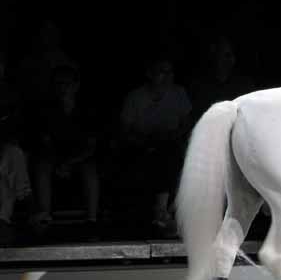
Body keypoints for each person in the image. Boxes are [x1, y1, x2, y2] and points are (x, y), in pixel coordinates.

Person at [115, 57, 192, 237]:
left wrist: (172, 136)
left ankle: (162, 210)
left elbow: (187, 125)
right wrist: (144, 141)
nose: (166, 77)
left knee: (169, 154)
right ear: (149, 74)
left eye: (170, 72)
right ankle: (161, 212)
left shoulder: (179, 93)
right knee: (156, 156)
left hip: (172, 145)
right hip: (141, 146)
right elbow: (124, 130)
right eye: (161, 72)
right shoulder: (135, 97)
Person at [29, 64, 102, 240]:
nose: (63, 88)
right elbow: (45, 143)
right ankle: (44, 219)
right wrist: (59, 163)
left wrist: (69, 163)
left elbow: (91, 146)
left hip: (80, 158)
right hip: (54, 156)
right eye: (59, 84)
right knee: (41, 167)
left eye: (67, 84)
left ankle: (92, 221)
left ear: (76, 85)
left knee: (90, 170)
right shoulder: (46, 110)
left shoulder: (87, 109)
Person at [0, 52, 33, 244]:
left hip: (5, 153)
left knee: (12, 154)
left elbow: (15, 129)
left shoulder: (10, 98)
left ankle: (5, 219)